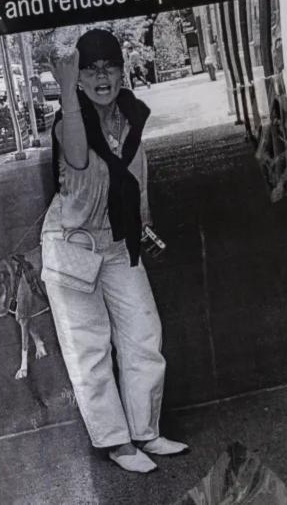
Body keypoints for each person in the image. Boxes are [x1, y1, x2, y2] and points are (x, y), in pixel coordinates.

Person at [42, 29, 186, 473]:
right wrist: (66, 90)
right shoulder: (69, 121)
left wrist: (143, 222)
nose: (102, 75)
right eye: (91, 68)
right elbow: (82, 162)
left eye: (110, 65)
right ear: (79, 78)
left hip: (119, 239)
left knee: (144, 334)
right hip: (73, 245)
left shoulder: (131, 115)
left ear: (123, 71)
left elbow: (137, 173)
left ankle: (146, 431)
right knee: (90, 348)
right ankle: (117, 443)